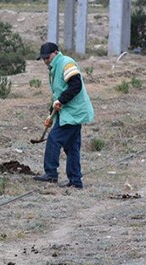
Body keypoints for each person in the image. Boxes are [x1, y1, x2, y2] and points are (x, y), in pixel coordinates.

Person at [32, 42, 94, 188]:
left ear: (55, 53)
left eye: (47, 57)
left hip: (73, 112)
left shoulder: (66, 63)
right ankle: (75, 181)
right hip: (67, 112)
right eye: (43, 59)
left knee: (54, 139)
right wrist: (50, 115)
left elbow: (76, 85)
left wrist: (61, 100)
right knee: (72, 147)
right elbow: (58, 93)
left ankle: (51, 173)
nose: (45, 61)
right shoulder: (54, 68)